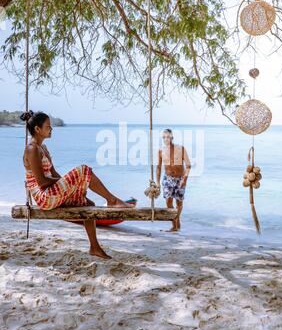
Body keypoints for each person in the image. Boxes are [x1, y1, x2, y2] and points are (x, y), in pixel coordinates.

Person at [21, 110, 132, 260]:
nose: (51, 129)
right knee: (83, 170)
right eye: (48, 126)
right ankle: (112, 200)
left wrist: (71, 186)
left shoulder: (44, 149)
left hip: (52, 192)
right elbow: (42, 182)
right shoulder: (31, 149)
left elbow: (54, 175)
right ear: (37, 129)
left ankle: (94, 247)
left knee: (88, 203)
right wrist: (72, 182)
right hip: (44, 197)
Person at [156, 128, 191, 232]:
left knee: (179, 203)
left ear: (172, 137)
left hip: (180, 179)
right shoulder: (161, 151)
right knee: (168, 202)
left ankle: (177, 220)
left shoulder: (181, 149)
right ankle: (175, 224)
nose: (166, 139)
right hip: (167, 178)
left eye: (168, 137)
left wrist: (184, 180)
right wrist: (157, 183)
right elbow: (158, 167)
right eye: (164, 137)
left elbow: (188, 166)